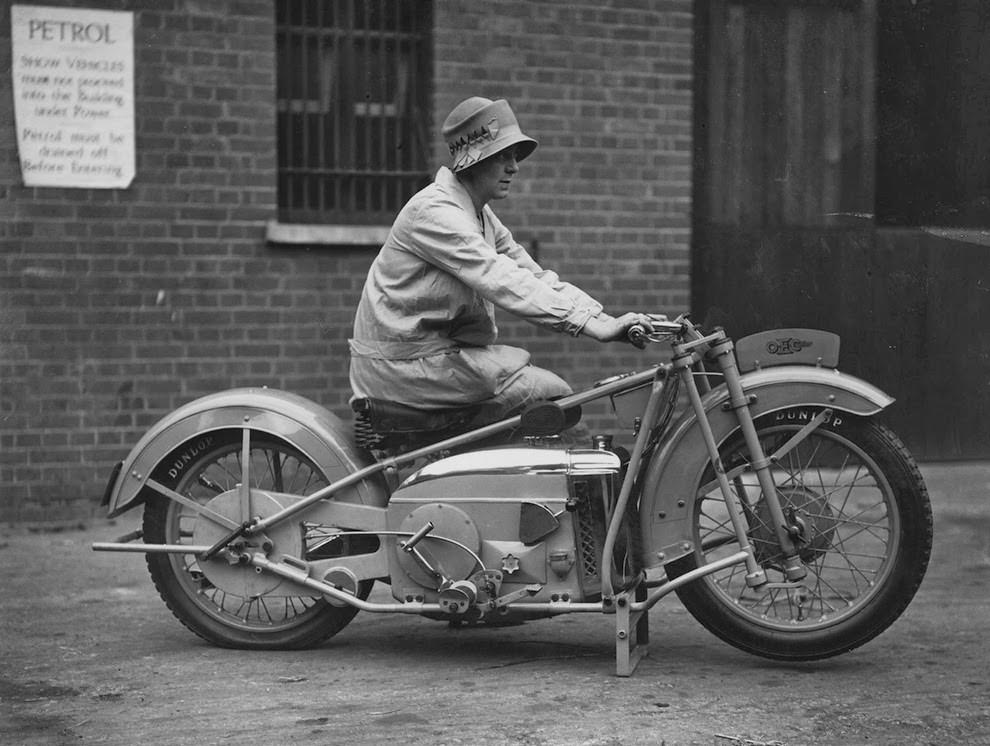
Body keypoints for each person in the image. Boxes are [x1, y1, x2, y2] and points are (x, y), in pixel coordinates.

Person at [349, 96, 655, 422]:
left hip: (437, 362)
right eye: (502, 156)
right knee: (552, 397)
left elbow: (530, 273)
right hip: (403, 370)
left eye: (514, 156)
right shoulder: (434, 211)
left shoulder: (479, 214)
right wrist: (591, 327)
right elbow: (497, 275)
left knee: (549, 399)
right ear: (473, 161)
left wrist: (603, 319)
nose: (514, 166)